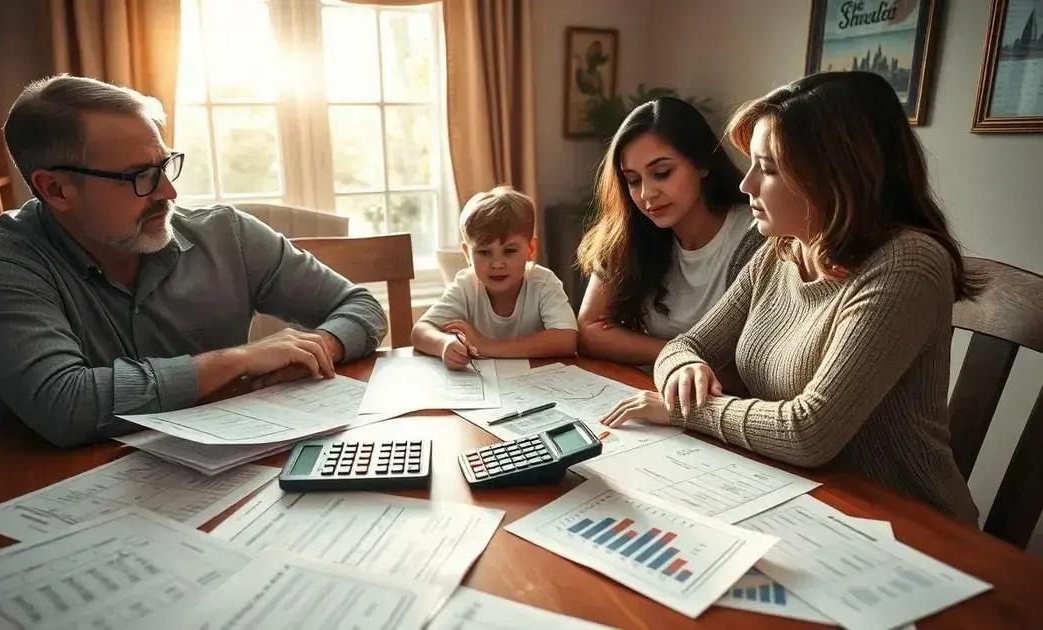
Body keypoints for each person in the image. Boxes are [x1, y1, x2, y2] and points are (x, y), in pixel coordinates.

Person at [0, 75, 387, 512]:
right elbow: (64, 405)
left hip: (207, 481)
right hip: (30, 497)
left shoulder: (226, 235)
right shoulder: (0, 264)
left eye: (165, 165)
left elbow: (361, 307)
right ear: (56, 189)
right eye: (139, 177)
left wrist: (317, 347)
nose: (168, 191)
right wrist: (237, 359)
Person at [599, 72, 980, 522]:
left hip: (904, 520)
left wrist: (685, 411)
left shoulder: (907, 264)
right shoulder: (783, 249)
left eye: (770, 168)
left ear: (835, 175)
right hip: (798, 494)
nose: (747, 185)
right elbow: (687, 345)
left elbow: (808, 432)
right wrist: (684, 367)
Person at [576, 97, 764, 370]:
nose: (646, 194)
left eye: (662, 173)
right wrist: (678, 355)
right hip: (647, 388)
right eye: (633, 180)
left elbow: (746, 369)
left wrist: (662, 354)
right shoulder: (630, 231)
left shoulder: (755, 234)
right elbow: (589, 329)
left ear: (702, 164)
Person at [411, 186, 577, 368]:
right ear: (467, 253)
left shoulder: (543, 283)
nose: (497, 264)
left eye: (509, 251)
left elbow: (566, 339)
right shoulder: (466, 286)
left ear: (530, 249)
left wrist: (487, 346)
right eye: (484, 252)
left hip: (537, 384)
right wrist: (443, 344)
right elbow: (420, 331)